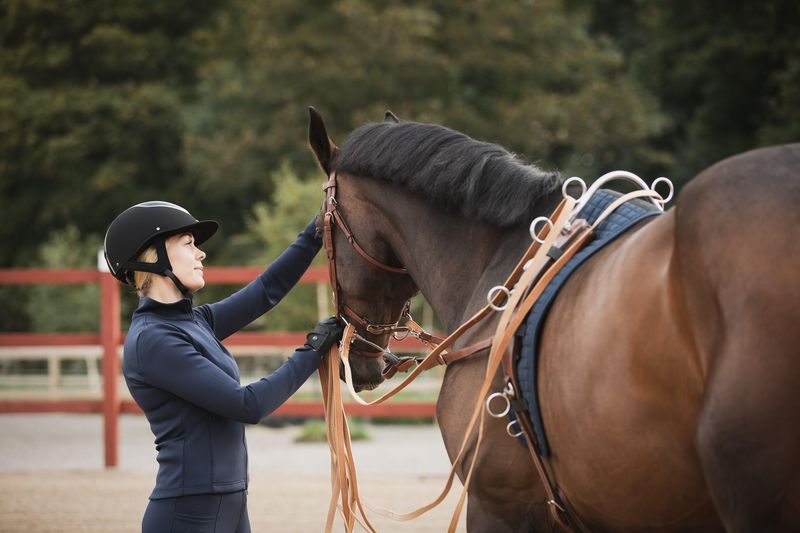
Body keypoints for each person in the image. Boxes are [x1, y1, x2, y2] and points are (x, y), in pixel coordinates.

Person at [103, 200, 343, 533]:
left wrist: (318, 229)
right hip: (187, 513)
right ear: (152, 257)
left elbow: (266, 291)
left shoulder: (194, 322)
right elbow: (248, 405)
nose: (201, 254)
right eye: (189, 244)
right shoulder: (153, 340)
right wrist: (312, 350)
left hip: (229, 503)